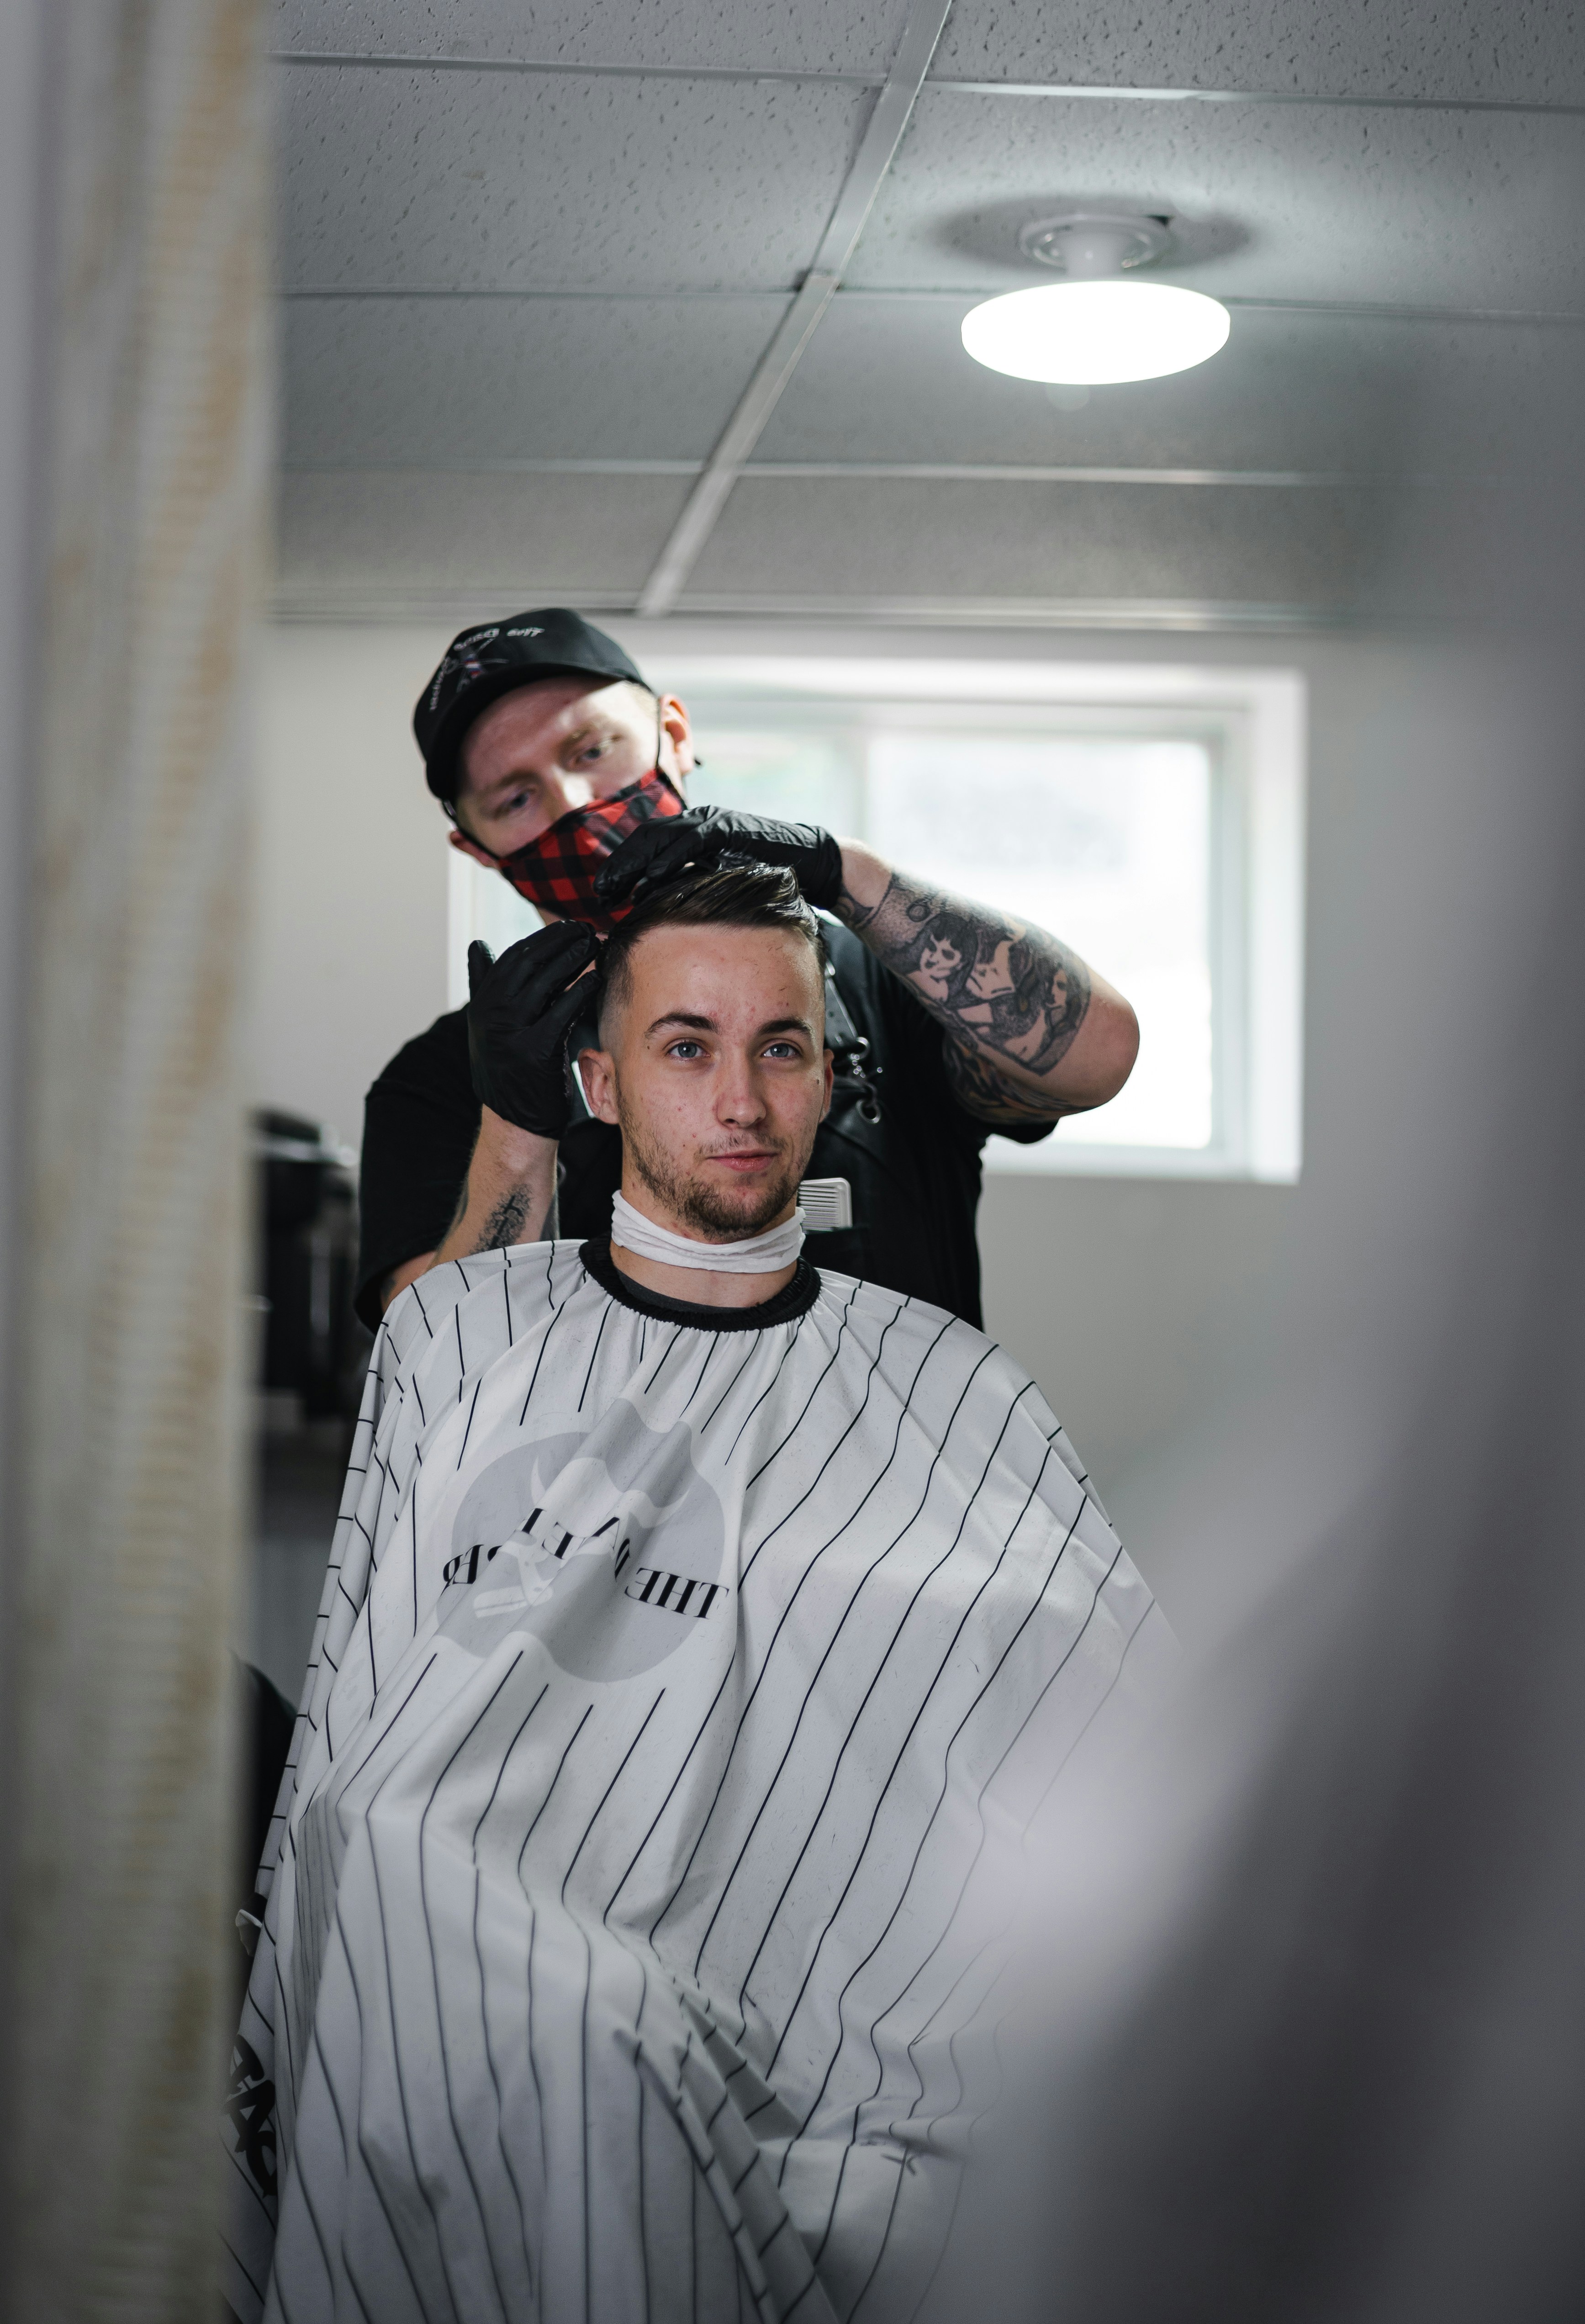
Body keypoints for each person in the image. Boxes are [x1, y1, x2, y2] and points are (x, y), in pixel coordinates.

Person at [225, 867, 1170, 2324]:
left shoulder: (953, 1384)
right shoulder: (460, 1335)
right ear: (599, 1084)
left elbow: (1123, 1728)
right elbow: (364, 1702)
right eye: (685, 1046)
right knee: (475, 1946)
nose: (740, 1100)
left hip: (858, 2001)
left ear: (828, 1077)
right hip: (490, 1946)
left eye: (779, 1047)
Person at [357, 609, 1139, 1335]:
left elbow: (1098, 1056)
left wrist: (846, 873)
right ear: (476, 847)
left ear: (672, 734)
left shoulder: (881, 982)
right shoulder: (441, 1079)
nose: (572, 807)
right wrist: (515, 1129)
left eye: (591, 751)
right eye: (516, 799)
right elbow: (433, 1359)